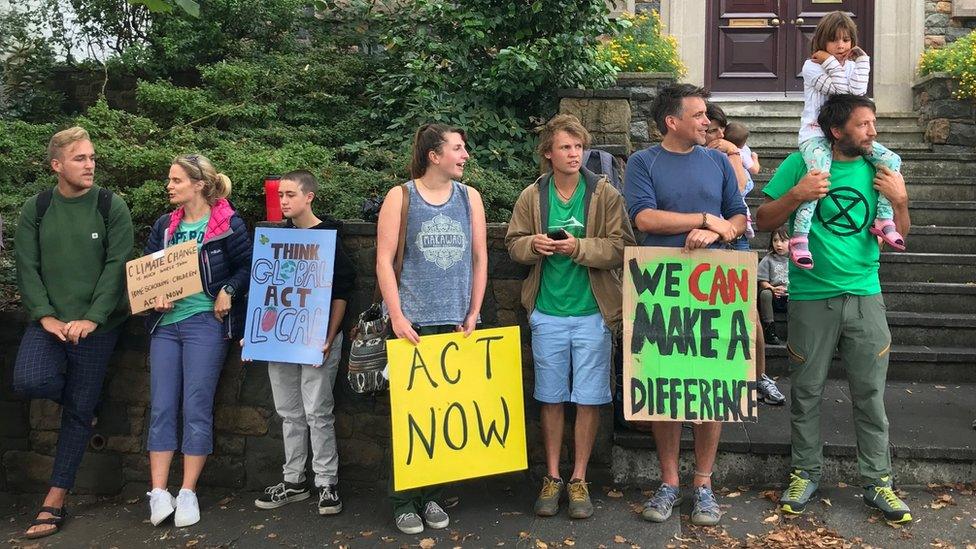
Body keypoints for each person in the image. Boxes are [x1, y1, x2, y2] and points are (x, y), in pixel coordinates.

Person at [756, 93, 912, 524]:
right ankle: (805, 473)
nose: (873, 132)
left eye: (873, 123)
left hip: (865, 297)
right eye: (864, 125)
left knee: (871, 396)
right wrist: (798, 194)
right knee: (805, 394)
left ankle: (878, 481)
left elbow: (901, 237)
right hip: (810, 300)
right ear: (837, 130)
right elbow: (764, 220)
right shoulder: (800, 164)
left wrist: (899, 201)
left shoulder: (881, 169)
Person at [623, 84, 746, 527]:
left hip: (715, 289)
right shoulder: (643, 162)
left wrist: (717, 230)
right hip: (661, 290)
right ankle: (669, 482)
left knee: (710, 391)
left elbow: (738, 216)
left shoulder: (717, 160)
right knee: (666, 390)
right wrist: (701, 218)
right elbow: (643, 218)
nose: (707, 122)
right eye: (697, 115)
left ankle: (704, 486)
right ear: (672, 121)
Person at [505, 114, 636, 520]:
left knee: (590, 397)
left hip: (593, 313)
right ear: (549, 153)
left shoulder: (604, 194)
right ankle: (553, 476)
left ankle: (579, 478)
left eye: (578, 146)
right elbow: (513, 245)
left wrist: (579, 247)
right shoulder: (532, 195)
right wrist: (535, 244)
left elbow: (621, 248)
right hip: (547, 310)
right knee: (550, 396)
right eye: (565, 147)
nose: (574, 153)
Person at [13, 126, 133, 539]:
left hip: (96, 328)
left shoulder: (110, 205)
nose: (89, 164)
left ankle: (54, 500)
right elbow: (26, 266)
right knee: (30, 380)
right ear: (57, 165)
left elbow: (117, 266)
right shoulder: (37, 207)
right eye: (80, 158)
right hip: (49, 324)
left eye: (92, 157)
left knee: (77, 414)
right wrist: (45, 316)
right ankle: (85, 400)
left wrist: (93, 318)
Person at [375, 124, 488, 534]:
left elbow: (480, 258)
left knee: (447, 418)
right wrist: (398, 316)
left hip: (458, 326)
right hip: (413, 326)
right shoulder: (400, 197)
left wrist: (474, 311)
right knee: (409, 419)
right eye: (458, 148)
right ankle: (404, 500)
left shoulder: (469, 197)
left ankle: (435, 495)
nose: (465, 155)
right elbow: (384, 261)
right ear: (433, 155)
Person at [144, 154, 252, 528]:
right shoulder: (164, 226)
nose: (169, 186)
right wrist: (155, 295)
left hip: (205, 324)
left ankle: (187, 490)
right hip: (166, 325)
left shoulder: (228, 224)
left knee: (196, 405)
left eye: (176, 180)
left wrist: (229, 290)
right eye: (170, 180)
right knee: (160, 405)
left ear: (199, 185)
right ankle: (158, 492)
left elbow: (247, 267)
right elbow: (147, 270)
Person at [252, 170, 357, 515]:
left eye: (290, 195)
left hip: (318, 338)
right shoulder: (275, 238)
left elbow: (342, 290)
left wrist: (329, 337)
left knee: (317, 411)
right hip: (280, 339)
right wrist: (256, 334)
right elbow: (265, 292)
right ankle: (294, 479)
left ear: (309, 197)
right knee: (289, 412)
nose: (283, 201)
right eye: (280, 195)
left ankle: (327, 482)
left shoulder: (328, 237)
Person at [790, 10, 905, 269]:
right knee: (819, 174)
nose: (840, 46)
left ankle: (884, 220)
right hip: (815, 135)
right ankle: (799, 237)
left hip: (847, 135)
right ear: (822, 42)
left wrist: (862, 61)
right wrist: (830, 62)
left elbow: (858, 95)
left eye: (846, 40)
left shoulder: (852, 64)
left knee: (891, 159)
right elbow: (842, 94)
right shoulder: (811, 66)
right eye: (834, 41)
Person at [704, 104, 785, 406]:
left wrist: (732, 152)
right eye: (707, 128)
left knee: (746, 311)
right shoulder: (691, 154)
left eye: (716, 129)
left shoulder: (732, 152)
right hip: (699, 239)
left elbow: (739, 186)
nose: (710, 134)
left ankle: (758, 376)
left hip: (734, 238)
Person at [758, 227, 791, 345]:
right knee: (765, 294)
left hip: (790, 296)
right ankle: (769, 330)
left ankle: (794, 334)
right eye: (775, 240)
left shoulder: (796, 259)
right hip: (774, 296)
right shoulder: (768, 259)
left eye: (783, 241)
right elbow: (762, 281)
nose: (778, 244)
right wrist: (772, 288)